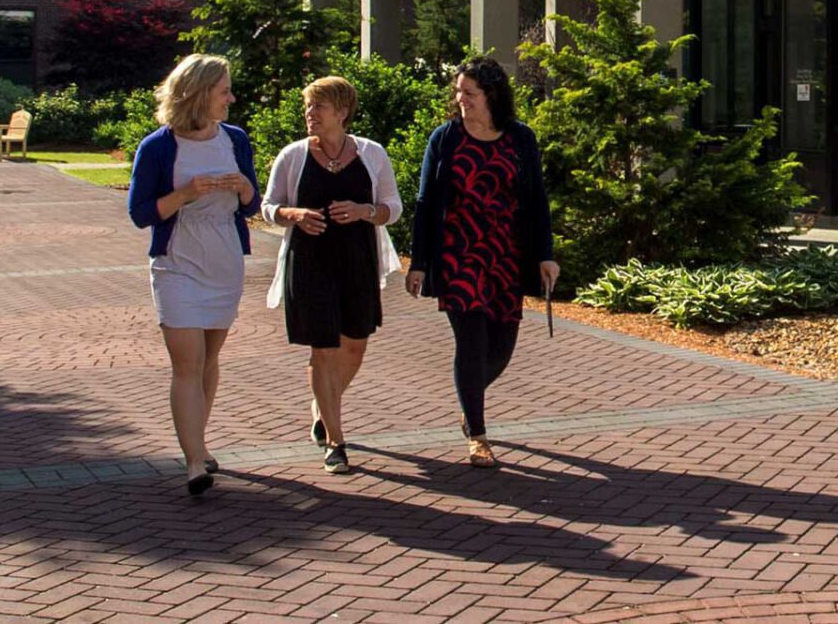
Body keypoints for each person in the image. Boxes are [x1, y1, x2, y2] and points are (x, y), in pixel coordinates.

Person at [405, 57, 558, 468]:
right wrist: (419, 262)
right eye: (458, 92)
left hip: (507, 255)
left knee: (501, 348)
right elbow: (425, 203)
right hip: (458, 255)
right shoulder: (445, 138)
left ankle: (467, 399)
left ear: (492, 95)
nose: (461, 100)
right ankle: (478, 434)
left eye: (469, 93)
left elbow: (537, 201)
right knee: (471, 344)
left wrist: (545, 255)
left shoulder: (520, 139)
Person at [126, 53, 258, 497]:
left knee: (209, 359)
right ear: (200, 94)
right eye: (224, 91)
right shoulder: (159, 146)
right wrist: (183, 194)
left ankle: (197, 443)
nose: (231, 98)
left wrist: (243, 189)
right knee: (187, 363)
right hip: (177, 263)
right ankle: (194, 461)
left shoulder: (235, 139)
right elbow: (141, 213)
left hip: (224, 260)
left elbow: (252, 205)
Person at [260, 76, 402, 475]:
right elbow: (268, 206)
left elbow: (393, 205)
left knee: (354, 345)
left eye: (317, 107)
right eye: (307, 107)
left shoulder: (372, 154)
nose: (309, 114)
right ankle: (336, 443)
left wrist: (364, 211)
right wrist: (292, 215)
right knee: (322, 349)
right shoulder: (293, 156)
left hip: (357, 260)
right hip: (309, 262)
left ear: (341, 112)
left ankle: (324, 406)